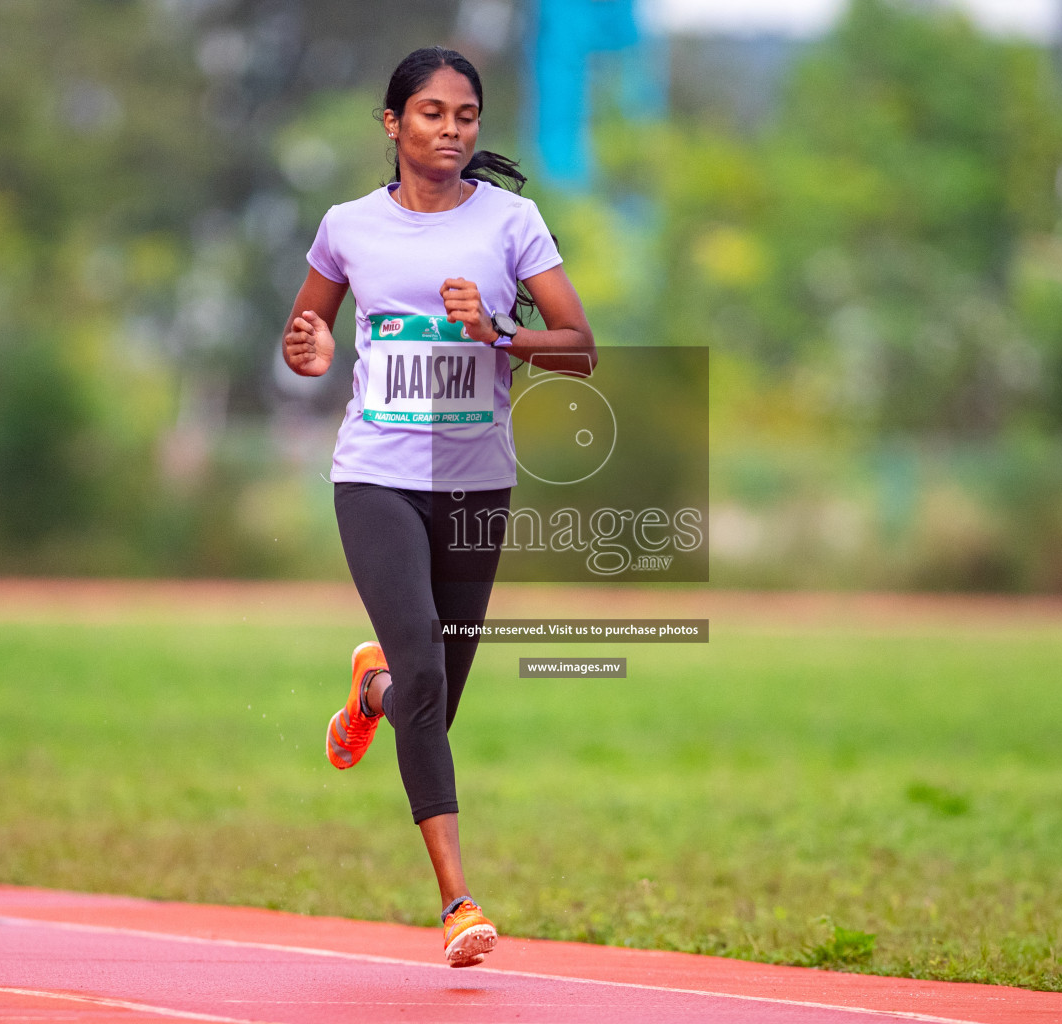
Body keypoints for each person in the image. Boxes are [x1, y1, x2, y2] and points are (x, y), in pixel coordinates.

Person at [281, 46, 596, 968]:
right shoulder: (347, 226)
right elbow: (308, 331)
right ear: (393, 124)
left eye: (465, 116)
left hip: (475, 481)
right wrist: (304, 350)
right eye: (430, 113)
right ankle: (458, 902)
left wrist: (496, 330)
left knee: (432, 696)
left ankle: (371, 687)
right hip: (375, 473)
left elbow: (580, 348)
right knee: (427, 673)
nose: (450, 130)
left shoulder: (513, 222)